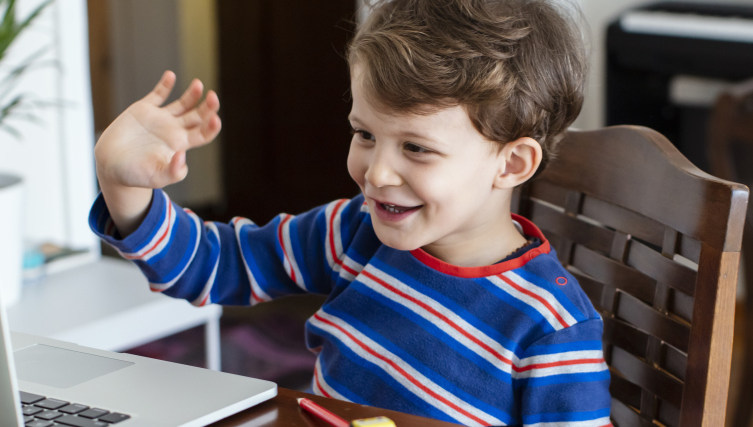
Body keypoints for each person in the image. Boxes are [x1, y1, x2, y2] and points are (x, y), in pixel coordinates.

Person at [89, 0, 610, 425]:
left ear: (511, 162)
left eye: (416, 148)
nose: (377, 172)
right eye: (365, 134)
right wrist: (123, 186)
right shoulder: (352, 233)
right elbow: (214, 265)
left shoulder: (552, 329)